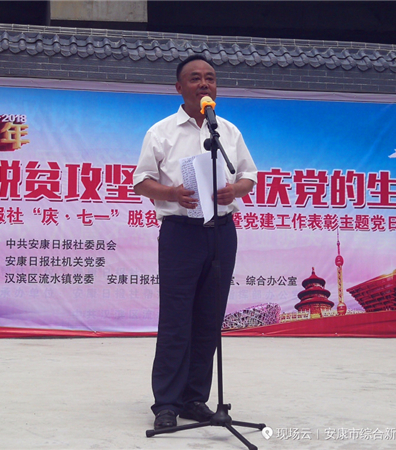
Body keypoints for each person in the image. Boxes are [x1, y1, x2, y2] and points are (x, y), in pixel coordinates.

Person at [133, 54, 258, 430]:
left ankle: (194, 398)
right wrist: (171, 192)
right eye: (195, 78)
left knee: (209, 318)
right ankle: (166, 403)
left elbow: (249, 176)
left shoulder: (228, 132)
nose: (204, 84)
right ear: (179, 87)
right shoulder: (161, 132)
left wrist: (235, 189)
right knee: (176, 319)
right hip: (181, 233)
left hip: (222, 232)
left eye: (210, 78)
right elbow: (141, 181)